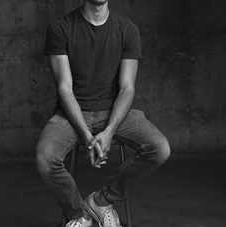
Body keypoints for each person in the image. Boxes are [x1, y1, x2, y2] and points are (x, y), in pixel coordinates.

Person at [36, 0, 170, 226]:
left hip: (115, 112)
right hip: (72, 113)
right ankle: (80, 215)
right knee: (45, 159)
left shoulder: (127, 29)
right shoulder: (61, 28)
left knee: (160, 148)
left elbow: (128, 87)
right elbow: (64, 88)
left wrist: (109, 130)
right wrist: (86, 136)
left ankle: (101, 201)